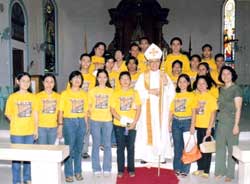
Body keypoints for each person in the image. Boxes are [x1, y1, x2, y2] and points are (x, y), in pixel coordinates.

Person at [135, 43, 175, 163]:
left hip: (161, 110)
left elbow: (172, 93)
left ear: (160, 62)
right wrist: (150, 92)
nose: (154, 64)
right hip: (146, 110)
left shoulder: (164, 75)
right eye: (151, 62)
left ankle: (160, 156)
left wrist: (166, 84)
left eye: (156, 61)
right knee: (146, 131)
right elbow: (137, 92)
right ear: (148, 63)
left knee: (160, 131)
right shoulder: (143, 76)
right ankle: (146, 156)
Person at [5, 72, 38, 184]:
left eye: (28, 81)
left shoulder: (33, 97)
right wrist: (15, 121)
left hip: (29, 132)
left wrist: (36, 129)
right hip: (17, 132)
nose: (26, 83)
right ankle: (16, 181)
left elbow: (35, 113)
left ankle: (27, 178)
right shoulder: (12, 97)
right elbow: (8, 113)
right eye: (23, 80)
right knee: (17, 159)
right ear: (17, 82)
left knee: (28, 157)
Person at [58, 71, 88, 182]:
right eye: (75, 78)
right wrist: (60, 125)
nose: (77, 80)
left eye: (79, 78)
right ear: (70, 80)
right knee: (69, 149)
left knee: (79, 149)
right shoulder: (65, 93)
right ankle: (69, 173)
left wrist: (86, 124)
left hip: (81, 122)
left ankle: (78, 172)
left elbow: (85, 111)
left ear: (81, 81)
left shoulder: (84, 94)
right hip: (69, 122)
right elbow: (61, 111)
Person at [110, 71, 141, 178]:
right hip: (119, 125)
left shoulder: (135, 93)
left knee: (131, 147)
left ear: (130, 80)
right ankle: (120, 170)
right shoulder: (115, 93)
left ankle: (131, 169)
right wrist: (122, 120)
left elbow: (139, 109)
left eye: (127, 79)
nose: (125, 81)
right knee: (120, 148)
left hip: (131, 125)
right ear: (119, 81)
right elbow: (112, 110)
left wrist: (134, 122)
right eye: (123, 79)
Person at [215, 66, 242, 182]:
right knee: (220, 148)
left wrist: (236, 125)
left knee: (232, 149)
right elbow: (218, 105)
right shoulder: (220, 89)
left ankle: (230, 174)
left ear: (232, 75)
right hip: (220, 121)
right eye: (223, 74)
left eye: (228, 74)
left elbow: (238, 108)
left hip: (232, 122)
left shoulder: (236, 89)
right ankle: (220, 171)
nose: (225, 76)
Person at [168, 74, 196, 177]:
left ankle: (185, 169)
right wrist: (169, 123)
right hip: (176, 122)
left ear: (188, 83)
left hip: (187, 122)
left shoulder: (192, 95)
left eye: (185, 81)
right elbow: (171, 110)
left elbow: (194, 111)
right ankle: (177, 168)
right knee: (177, 147)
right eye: (180, 81)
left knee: (187, 147)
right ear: (177, 83)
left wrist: (193, 125)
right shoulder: (175, 95)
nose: (182, 83)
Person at [88, 69, 113, 176]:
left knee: (107, 145)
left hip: (107, 120)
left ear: (107, 79)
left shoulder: (111, 91)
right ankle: (96, 167)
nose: (102, 79)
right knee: (96, 145)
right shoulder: (92, 91)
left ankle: (107, 167)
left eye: (104, 77)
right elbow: (88, 107)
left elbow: (113, 106)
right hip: (95, 120)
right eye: (100, 77)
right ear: (97, 78)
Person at [192, 75, 218, 178]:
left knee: (207, 149)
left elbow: (213, 114)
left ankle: (206, 170)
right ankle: (200, 168)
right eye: (199, 83)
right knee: (199, 148)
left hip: (207, 127)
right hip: (198, 126)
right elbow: (194, 111)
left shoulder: (211, 97)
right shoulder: (196, 97)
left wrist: (209, 128)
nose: (201, 85)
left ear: (207, 85)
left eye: (203, 83)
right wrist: (193, 125)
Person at [37, 73, 60, 145]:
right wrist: (35, 128)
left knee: (53, 149)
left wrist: (60, 127)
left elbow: (60, 113)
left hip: (53, 127)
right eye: (47, 81)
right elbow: (35, 113)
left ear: (54, 83)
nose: (49, 84)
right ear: (43, 82)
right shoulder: (37, 96)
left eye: (51, 82)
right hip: (41, 127)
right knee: (42, 150)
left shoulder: (58, 97)